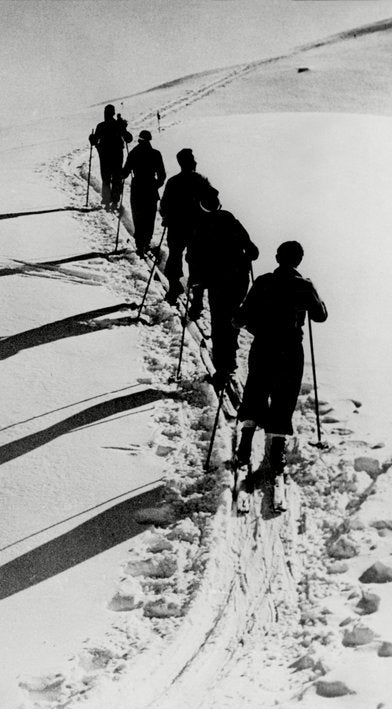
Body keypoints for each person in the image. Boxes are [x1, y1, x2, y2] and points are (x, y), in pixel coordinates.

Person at [232, 241, 327, 474]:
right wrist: (313, 294)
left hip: (263, 345)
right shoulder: (303, 286)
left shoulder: (263, 282)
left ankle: (244, 447)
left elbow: (240, 317)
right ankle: (276, 452)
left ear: (277, 257)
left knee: (256, 389)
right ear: (299, 261)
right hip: (290, 348)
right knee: (284, 395)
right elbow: (320, 316)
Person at [186, 189, 258, 383]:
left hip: (217, 281)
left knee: (219, 321)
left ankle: (222, 368)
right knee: (232, 317)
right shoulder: (231, 220)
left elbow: (193, 255)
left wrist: (195, 279)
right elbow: (253, 251)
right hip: (238, 280)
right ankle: (231, 359)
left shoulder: (201, 225)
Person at [159, 148, 214, 304]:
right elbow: (213, 204)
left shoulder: (173, 181)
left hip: (177, 227)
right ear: (191, 162)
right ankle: (197, 299)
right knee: (196, 261)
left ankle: (174, 288)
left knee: (175, 256)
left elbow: (164, 206)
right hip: (197, 229)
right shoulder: (202, 180)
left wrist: (166, 217)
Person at [121, 130, 166, 256]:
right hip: (151, 188)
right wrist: (155, 185)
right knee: (149, 218)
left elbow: (124, 173)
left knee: (138, 216)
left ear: (139, 140)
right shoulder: (156, 154)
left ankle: (140, 244)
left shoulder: (134, 153)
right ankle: (146, 242)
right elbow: (162, 175)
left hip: (137, 188)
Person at [88, 105, 133, 212]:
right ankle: (114, 201)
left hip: (105, 155)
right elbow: (128, 138)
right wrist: (123, 127)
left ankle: (107, 200)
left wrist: (91, 138)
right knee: (116, 177)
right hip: (116, 155)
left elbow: (94, 142)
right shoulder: (117, 124)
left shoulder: (102, 126)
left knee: (106, 178)